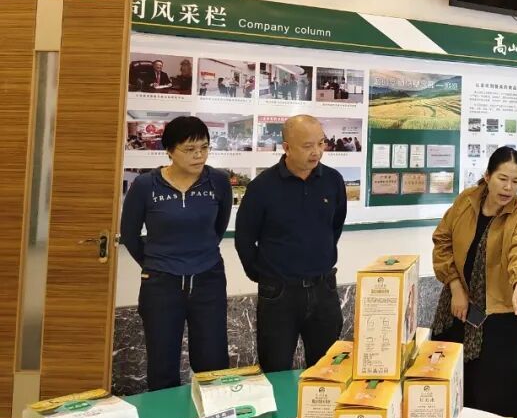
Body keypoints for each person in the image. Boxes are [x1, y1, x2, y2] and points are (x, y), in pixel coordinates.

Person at [119, 116, 232, 390]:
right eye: (190, 149)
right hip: (161, 283)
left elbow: (218, 228)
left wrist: (197, 254)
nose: (199, 155)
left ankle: (214, 414)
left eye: (204, 147)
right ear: (169, 150)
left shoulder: (217, 181)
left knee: (213, 360)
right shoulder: (146, 185)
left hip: (208, 278)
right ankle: (166, 415)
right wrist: (155, 264)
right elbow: (130, 235)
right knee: (162, 362)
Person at [430, 147, 517, 418]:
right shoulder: (466, 201)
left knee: (493, 400)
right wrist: (455, 286)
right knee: (453, 393)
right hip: (457, 310)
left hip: (497, 317)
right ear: (488, 176)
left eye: (516, 181)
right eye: (503, 178)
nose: (509, 187)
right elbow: (442, 241)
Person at [235, 114, 347, 371]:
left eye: (321, 143)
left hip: (323, 289)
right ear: (286, 147)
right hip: (279, 294)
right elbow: (244, 238)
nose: (316, 152)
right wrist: (263, 275)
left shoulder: (332, 181)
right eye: (307, 146)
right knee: (276, 369)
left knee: (326, 370)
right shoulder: (262, 187)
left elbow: (334, 226)